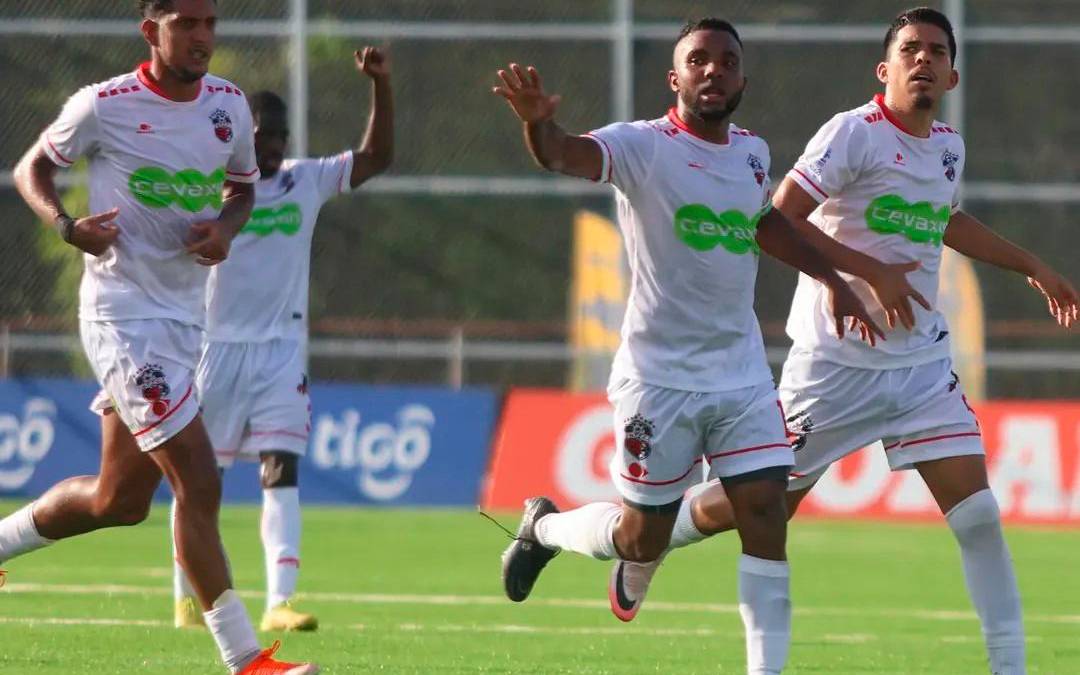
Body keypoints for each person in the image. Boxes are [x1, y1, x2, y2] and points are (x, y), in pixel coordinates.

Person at [612, 8, 1078, 675]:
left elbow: (946, 219)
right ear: (884, 69)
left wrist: (1032, 264)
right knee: (755, 506)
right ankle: (650, 542)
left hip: (921, 368)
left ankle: (1011, 668)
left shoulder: (949, 146)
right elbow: (780, 214)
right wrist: (862, 274)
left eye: (936, 51)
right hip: (833, 369)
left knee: (978, 517)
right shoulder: (852, 134)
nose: (923, 59)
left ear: (952, 74)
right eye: (910, 49)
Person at [492, 18, 884, 675]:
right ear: (674, 77)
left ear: (743, 80)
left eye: (727, 62)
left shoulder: (752, 153)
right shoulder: (643, 146)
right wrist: (539, 126)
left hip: (740, 374)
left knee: (766, 510)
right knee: (639, 537)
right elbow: (564, 154)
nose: (713, 71)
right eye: (698, 60)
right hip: (659, 378)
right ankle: (545, 528)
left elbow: (765, 224)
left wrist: (833, 279)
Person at [2, 1, 318, 672]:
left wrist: (225, 229)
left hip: (183, 322)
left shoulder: (228, 106)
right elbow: (31, 169)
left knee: (118, 500)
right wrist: (67, 227)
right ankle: (246, 659)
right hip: (122, 319)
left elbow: (242, 190)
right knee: (199, 480)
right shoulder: (102, 104)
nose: (203, 37)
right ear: (153, 30)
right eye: (187, 24)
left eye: (210, 23)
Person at [172, 46, 393, 633]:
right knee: (200, 480)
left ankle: (279, 602)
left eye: (279, 137)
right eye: (262, 136)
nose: (271, 147)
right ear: (242, 137)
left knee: (281, 468)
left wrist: (380, 85)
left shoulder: (304, 180)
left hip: (280, 353)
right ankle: (187, 599)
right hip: (213, 351)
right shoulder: (206, 188)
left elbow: (377, 157)